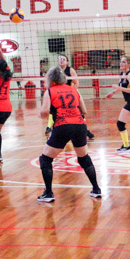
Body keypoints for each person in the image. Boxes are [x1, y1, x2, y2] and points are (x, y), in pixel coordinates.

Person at [36, 66, 101, 203]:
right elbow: (84, 111)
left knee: (45, 159)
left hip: (63, 126)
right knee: (83, 158)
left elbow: (44, 113)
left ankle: (48, 193)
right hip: (79, 125)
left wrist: (40, 114)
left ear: (49, 79)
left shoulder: (49, 91)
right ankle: (96, 189)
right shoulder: (74, 90)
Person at [46, 54, 95, 141]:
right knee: (54, 110)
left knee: (79, 112)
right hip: (58, 95)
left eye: (63, 59)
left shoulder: (70, 70)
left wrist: (72, 92)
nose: (61, 60)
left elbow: (76, 83)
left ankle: (85, 130)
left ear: (67, 62)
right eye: (59, 59)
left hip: (70, 95)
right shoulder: (56, 71)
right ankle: (49, 127)